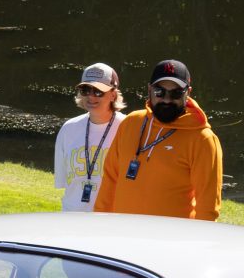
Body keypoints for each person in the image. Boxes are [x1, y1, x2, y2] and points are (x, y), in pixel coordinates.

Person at [92, 59, 223, 220]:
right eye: (159, 92)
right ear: (149, 89)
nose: (167, 100)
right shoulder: (131, 122)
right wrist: (98, 223)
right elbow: (110, 179)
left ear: (188, 92)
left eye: (176, 93)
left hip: (167, 242)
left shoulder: (203, 139)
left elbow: (207, 207)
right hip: (122, 235)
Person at [53, 63, 124, 210]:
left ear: (113, 94)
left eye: (98, 91)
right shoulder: (68, 129)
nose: (91, 96)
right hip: (72, 220)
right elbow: (63, 180)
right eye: (85, 90)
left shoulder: (127, 128)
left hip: (110, 221)